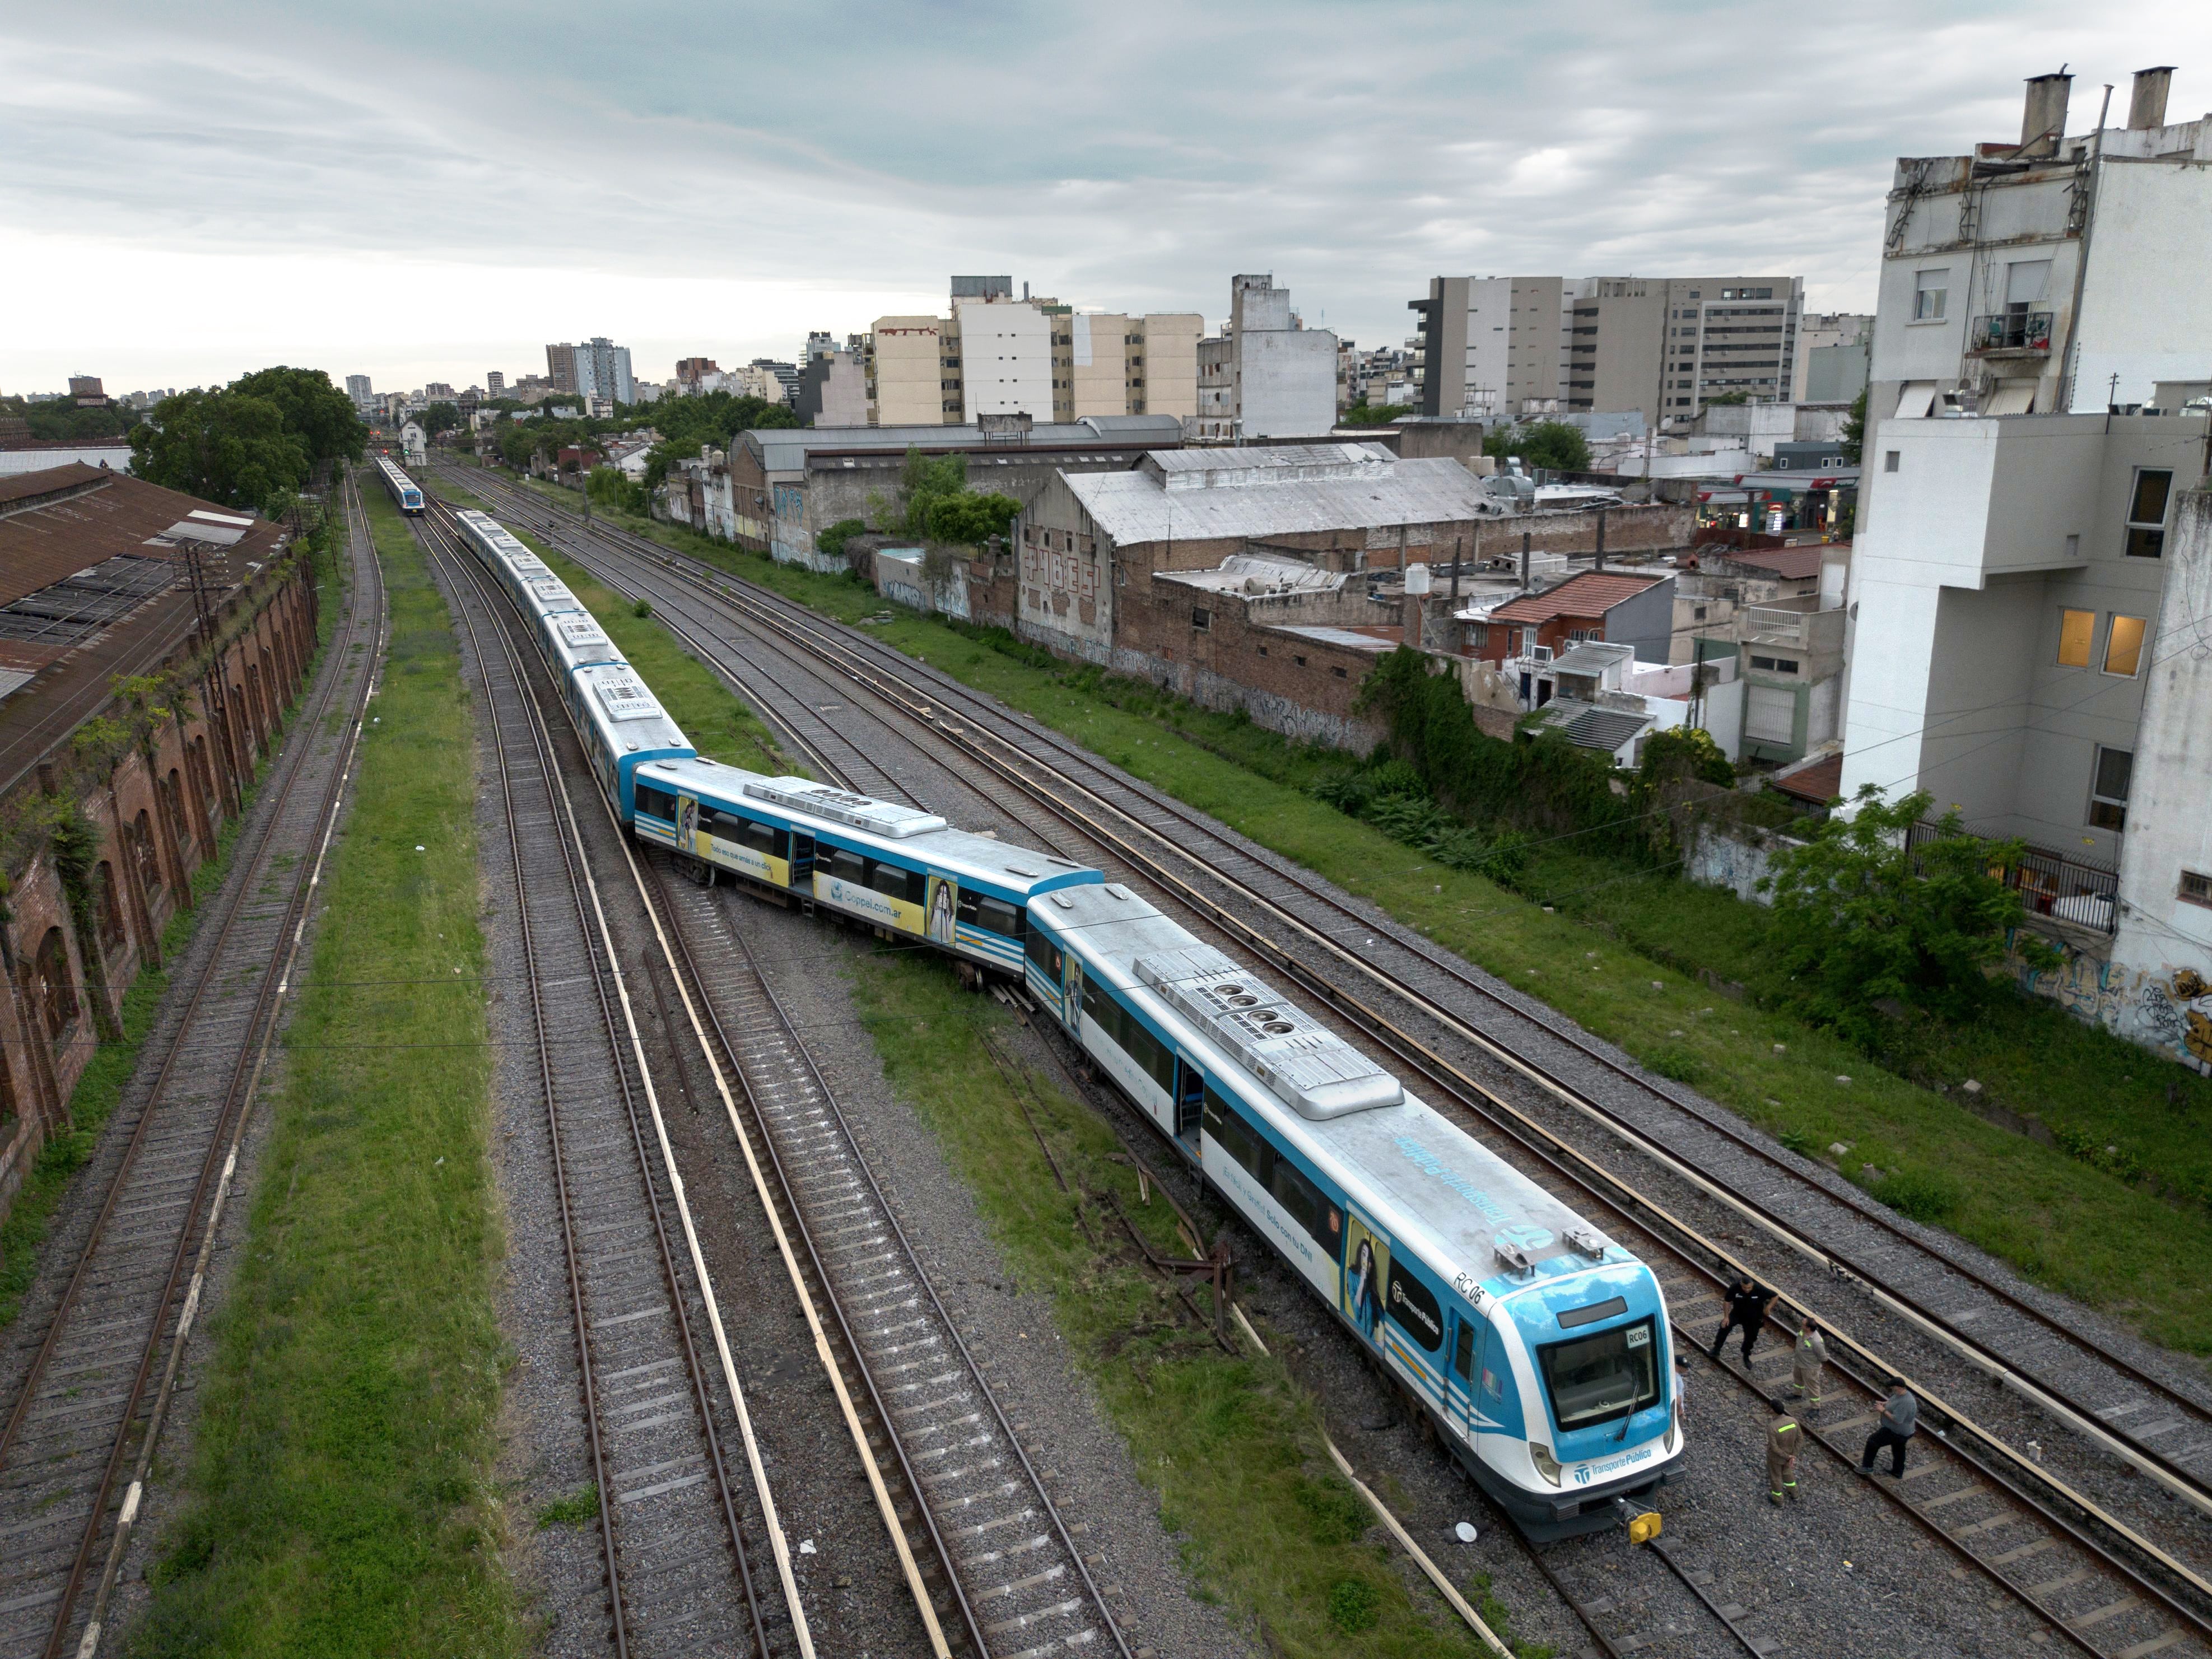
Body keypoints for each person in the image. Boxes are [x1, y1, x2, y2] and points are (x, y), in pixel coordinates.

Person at [1710, 1275, 1777, 1364]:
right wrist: (1726, 1317)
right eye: (1745, 1288)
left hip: (1754, 1316)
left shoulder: (1759, 1288)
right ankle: (1716, 1349)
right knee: (1725, 1326)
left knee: (1751, 1337)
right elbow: (1727, 1302)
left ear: (1752, 1285)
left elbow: (1775, 1296)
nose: (1747, 1290)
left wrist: (1768, 1307)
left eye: (1749, 1288)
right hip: (1737, 1313)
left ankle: (1746, 1355)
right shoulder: (1735, 1287)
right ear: (1741, 1284)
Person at [1859, 1380, 1918, 1477]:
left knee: (1872, 1442)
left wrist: (1883, 1410)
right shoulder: (1902, 1394)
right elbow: (1894, 1402)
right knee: (1898, 1450)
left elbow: (1898, 1420)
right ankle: (1898, 1472)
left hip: (1897, 1432)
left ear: (1898, 1387)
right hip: (1906, 1431)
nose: (1891, 1388)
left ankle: (1867, 1467)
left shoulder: (1906, 1402)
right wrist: (1885, 1404)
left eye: (1893, 1387)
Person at [1766, 1400, 1804, 1506]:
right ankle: (1795, 1494)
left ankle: (1778, 1501)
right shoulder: (1793, 1421)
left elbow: (1774, 1448)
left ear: (1773, 1411)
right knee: (1787, 1473)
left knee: (1776, 1477)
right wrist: (1793, 1456)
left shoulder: (1772, 1427)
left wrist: (1787, 1457)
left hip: (1776, 1458)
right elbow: (1800, 1440)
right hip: (1790, 1456)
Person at [1790, 1319, 1829, 1408]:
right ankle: (1797, 1393)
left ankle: (1816, 1407)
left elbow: (1823, 1358)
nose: (1801, 1325)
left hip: (1810, 1368)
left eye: (1803, 1325)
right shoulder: (1802, 1332)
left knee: (1813, 1387)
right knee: (1798, 1379)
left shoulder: (1816, 1342)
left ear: (1808, 1328)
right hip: (1799, 1363)